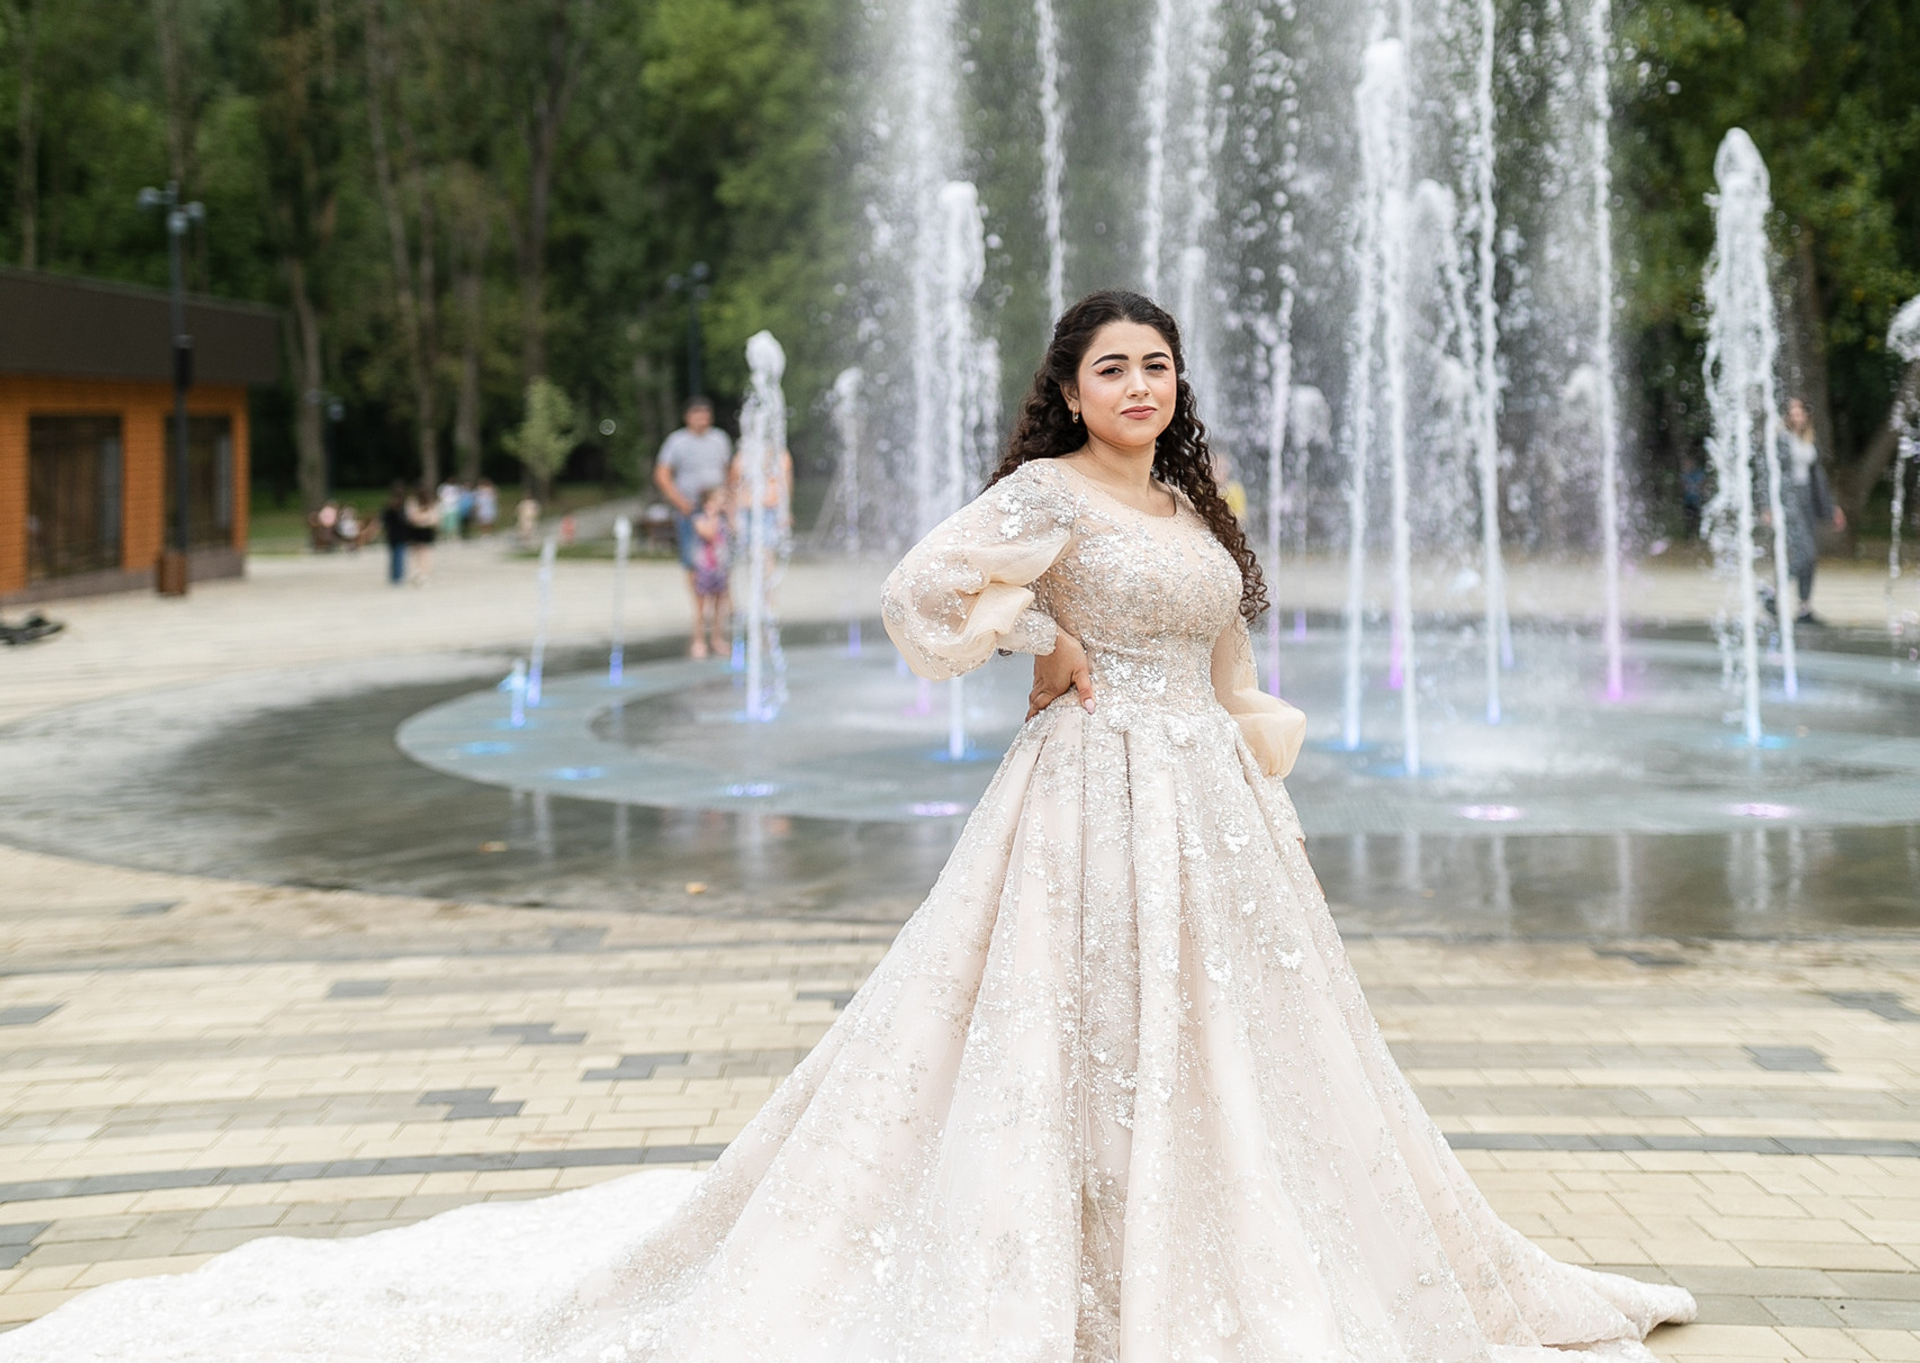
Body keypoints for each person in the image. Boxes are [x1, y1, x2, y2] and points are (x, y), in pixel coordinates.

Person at [0, 290, 1698, 1362]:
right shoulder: (1047, 496)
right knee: (1073, 1032)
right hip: (1089, 793)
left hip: (1210, 806)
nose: (1142, 384)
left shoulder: (1192, 502)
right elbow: (915, 585)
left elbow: (1241, 649)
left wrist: (1258, 744)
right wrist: (1039, 642)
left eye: (1160, 364)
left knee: (1243, 1044)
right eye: (1115, 366)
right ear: (1072, 387)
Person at [654, 398, 733, 653]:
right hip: (691, 510)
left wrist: (729, 503)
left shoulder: (719, 440)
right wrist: (680, 501)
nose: (702, 418)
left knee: (721, 558)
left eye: (705, 413)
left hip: (717, 508)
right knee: (693, 560)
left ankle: (718, 618)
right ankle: (700, 605)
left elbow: (728, 471)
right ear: (687, 417)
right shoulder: (677, 442)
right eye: (696, 413)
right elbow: (662, 474)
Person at [1782, 395, 1846, 623]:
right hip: (1788, 501)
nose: (1796, 416)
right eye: (1792, 412)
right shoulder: (1781, 439)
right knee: (1804, 552)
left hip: (1807, 499)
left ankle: (1804, 608)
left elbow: (1818, 480)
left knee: (1811, 557)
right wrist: (1766, 507)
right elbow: (1769, 476)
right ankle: (1771, 591)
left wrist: (1831, 508)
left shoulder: (1808, 441)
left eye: (1800, 412)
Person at [688, 485, 733, 659]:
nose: (723, 503)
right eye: (720, 500)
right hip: (704, 569)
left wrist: (729, 514)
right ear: (708, 503)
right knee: (701, 608)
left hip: (719, 569)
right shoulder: (699, 519)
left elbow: (734, 532)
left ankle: (717, 638)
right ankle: (698, 641)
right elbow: (710, 535)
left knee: (718, 607)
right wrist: (713, 516)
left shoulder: (723, 521)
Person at [405, 483, 438, 586]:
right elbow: (411, 517)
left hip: (424, 530)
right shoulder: (413, 502)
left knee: (423, 552)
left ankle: (422, 572)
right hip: (416, 530)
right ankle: (418, 571)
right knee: (418, 552)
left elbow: (435, 518)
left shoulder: (430, 503)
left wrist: (422, 519)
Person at [378, 482, 410, 587]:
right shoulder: (392, 507)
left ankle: (397, 575)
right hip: (395, 533)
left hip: (398, 533)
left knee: (397, 555)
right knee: (397, 555)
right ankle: (397, 576)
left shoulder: (401, 506)